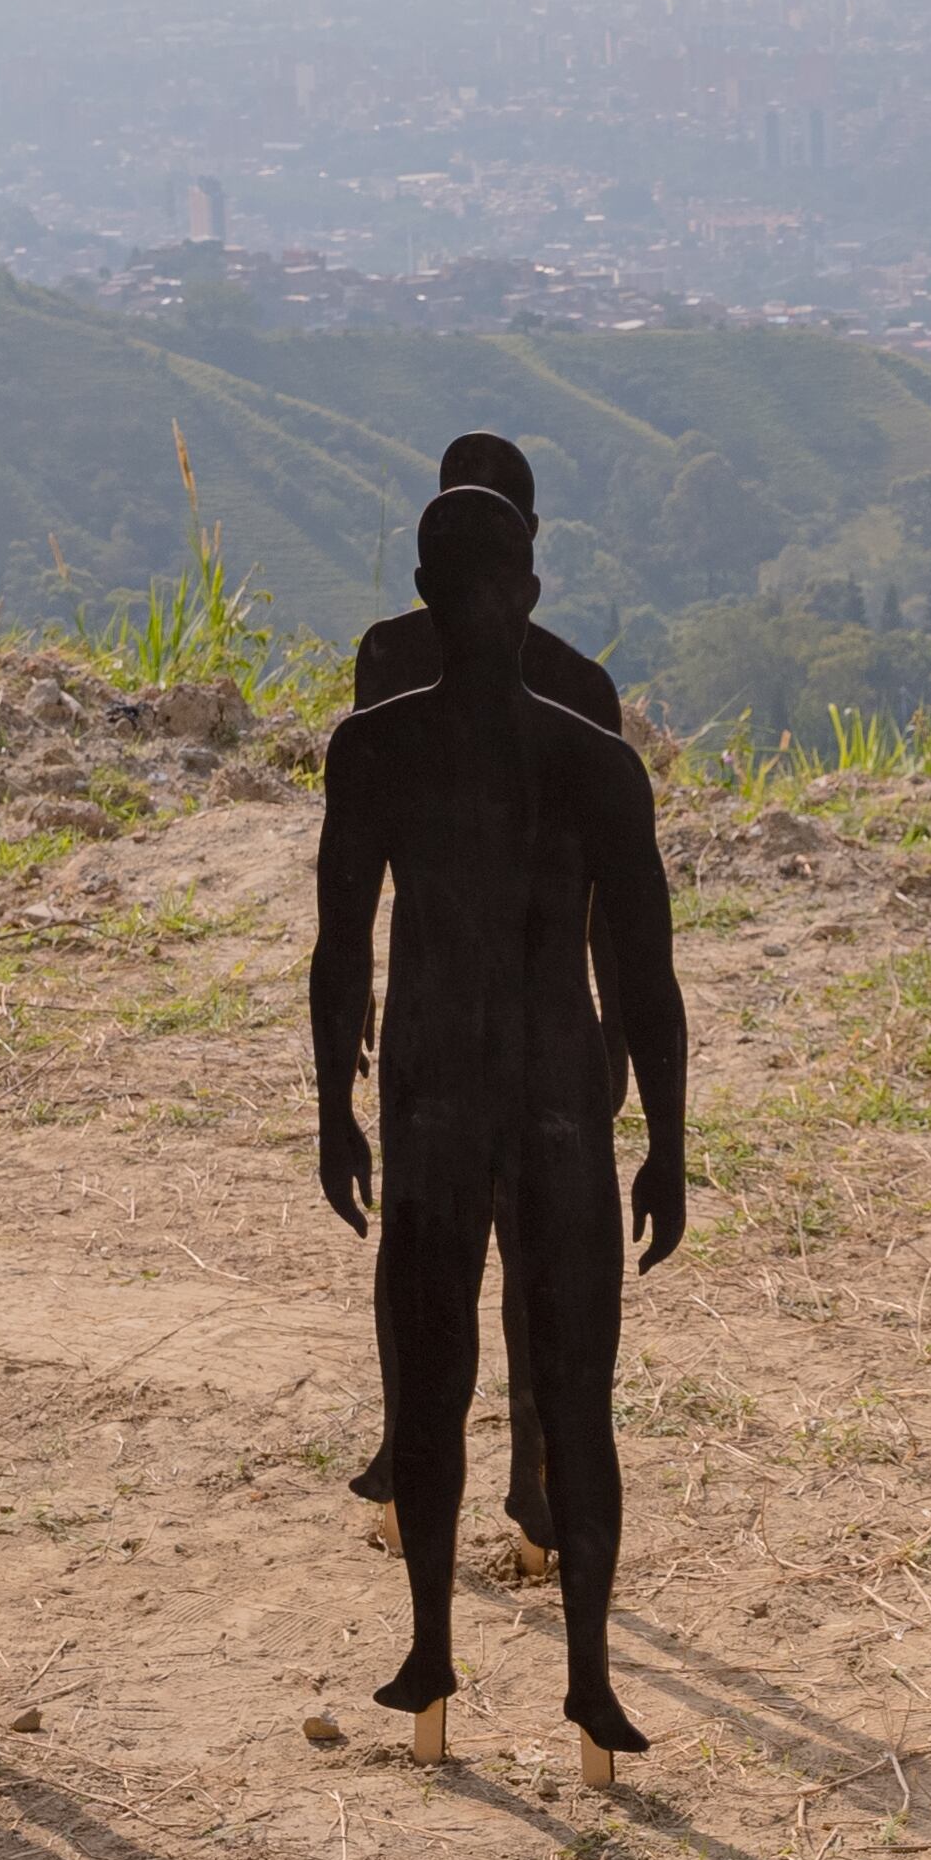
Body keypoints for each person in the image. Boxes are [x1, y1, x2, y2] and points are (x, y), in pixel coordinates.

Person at [312, 485, 688, 1754]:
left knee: (469, 1385)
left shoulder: (380, 747)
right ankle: (536, 1664)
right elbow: (645, 977)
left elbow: (338, 955)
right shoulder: (587, 760)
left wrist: (334, 1103)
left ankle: (464, 1653)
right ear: (523, 589)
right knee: (547, 1393)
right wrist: (667, 1142)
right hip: (536, 1101)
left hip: (451, 1094)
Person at [340, 433, 626, 1544]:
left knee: (421, 1242)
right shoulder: (576, 686)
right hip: (533, 1004)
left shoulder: (387, 656)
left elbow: (367, 863)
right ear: (531, 553)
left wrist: (358, 991)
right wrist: (608, 1024)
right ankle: (527, 1465)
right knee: (521, 1252)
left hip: (432, 1002)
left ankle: (420, 1436)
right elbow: (603, 891)